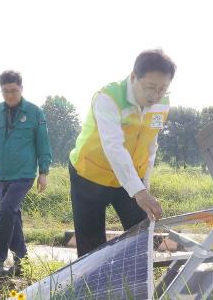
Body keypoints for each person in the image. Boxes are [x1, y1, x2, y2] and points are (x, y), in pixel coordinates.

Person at [69, 49, 176, 257]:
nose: (155, 95)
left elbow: (151, 145)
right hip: (90, 173)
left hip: (129, 177)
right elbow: (114, 147)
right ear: (134, 76)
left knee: (141, 232)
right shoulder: (108, 98)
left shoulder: (161, 105)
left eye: (162, 89)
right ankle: (93, 287)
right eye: (150, 87)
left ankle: (137, 284)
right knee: (92, 245)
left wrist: (144, 186)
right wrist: (138, 191)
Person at [0, 70, 52, 276]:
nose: (10, 95)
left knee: (6, 210)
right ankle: (21, 262)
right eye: (5, 91)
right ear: (1, 91)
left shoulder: (35, 112)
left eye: (14, 90)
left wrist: (44, 171)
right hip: (2, 174)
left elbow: (43, 144)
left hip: (24, 174)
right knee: (12, 216)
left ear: (21, 89)